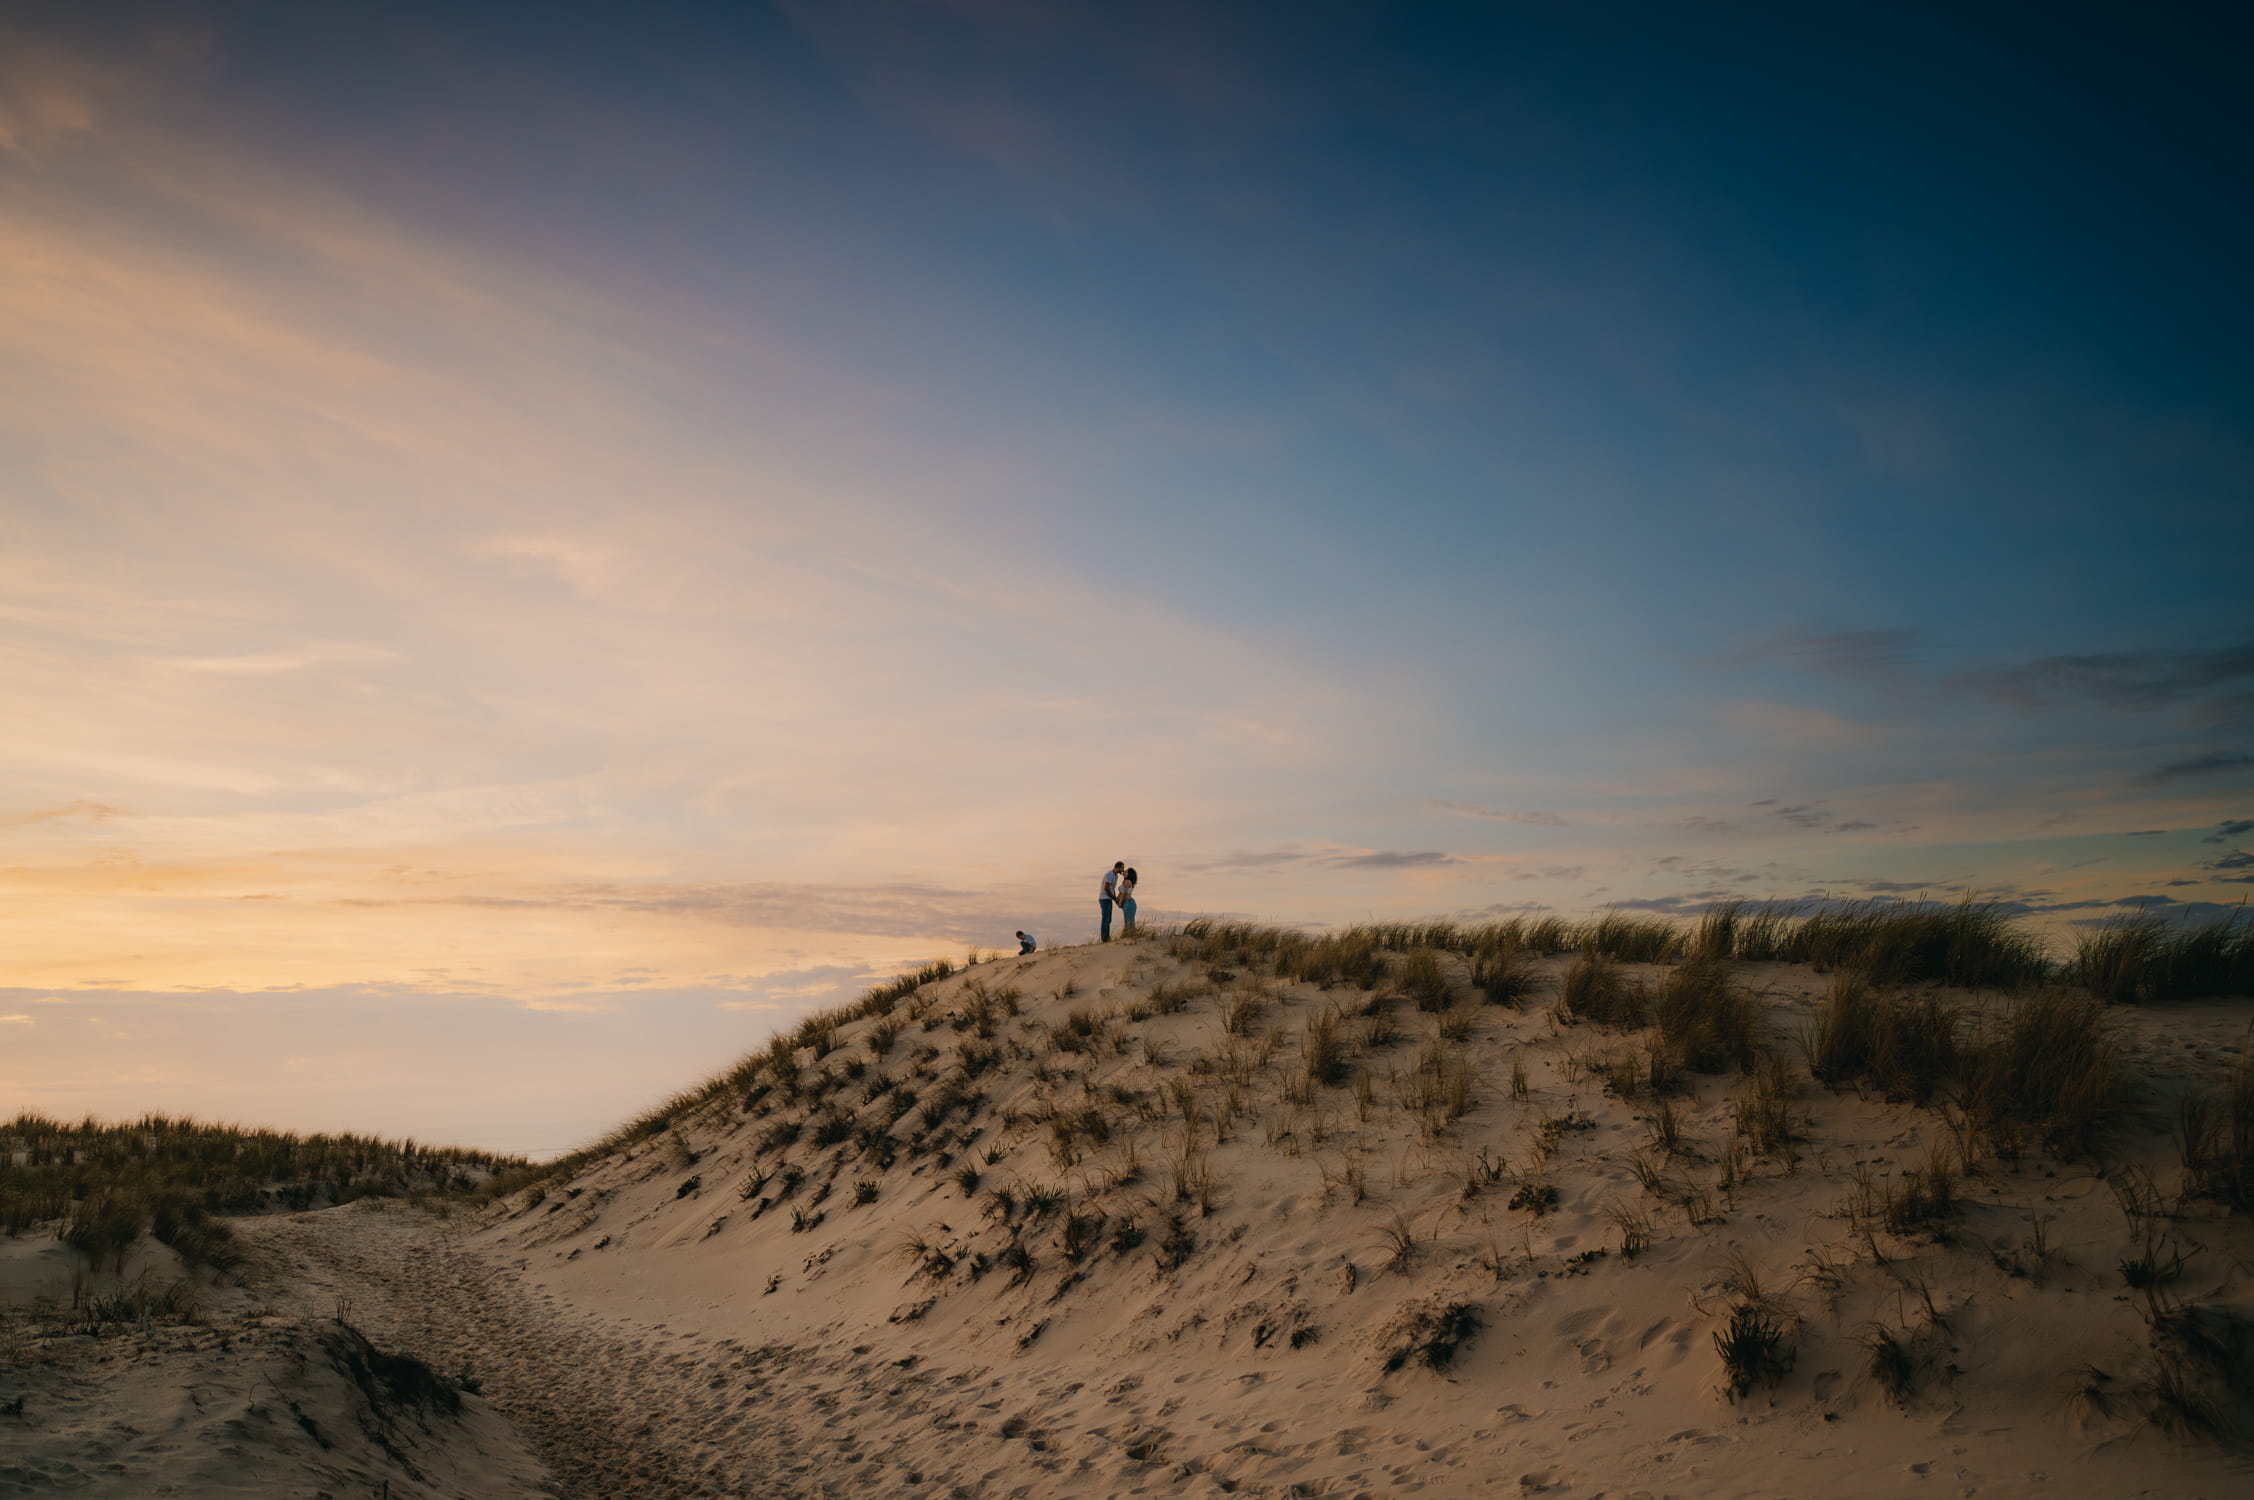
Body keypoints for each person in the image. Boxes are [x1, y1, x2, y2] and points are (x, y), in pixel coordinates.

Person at [1099, 861, 1126, 941]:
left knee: (1108, 919)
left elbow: (1112, 888)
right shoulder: (1109, 874)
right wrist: (1114, 898)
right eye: (1122, 868)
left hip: (1109, 899)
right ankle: (1104, 938)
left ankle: (1106, 937)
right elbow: (1106, 888)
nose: (1123, 870)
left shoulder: (1115, 876)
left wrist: (1115, 899)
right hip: (1104, 899)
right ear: (1118, 867)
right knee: (1105, 919)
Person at [1119, 867, 1139, 934]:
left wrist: (1120, 902)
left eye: (1126, 871)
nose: (1124, 872)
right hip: (1127, 903)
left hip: (1128, 903)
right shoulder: (1125, 881)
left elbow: (1124, 892)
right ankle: (1129, 935)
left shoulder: (1127, 881)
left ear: (1129, 874)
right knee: (1128, 921)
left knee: (1129, 922)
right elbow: (1121, 893)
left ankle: (1131, 936)